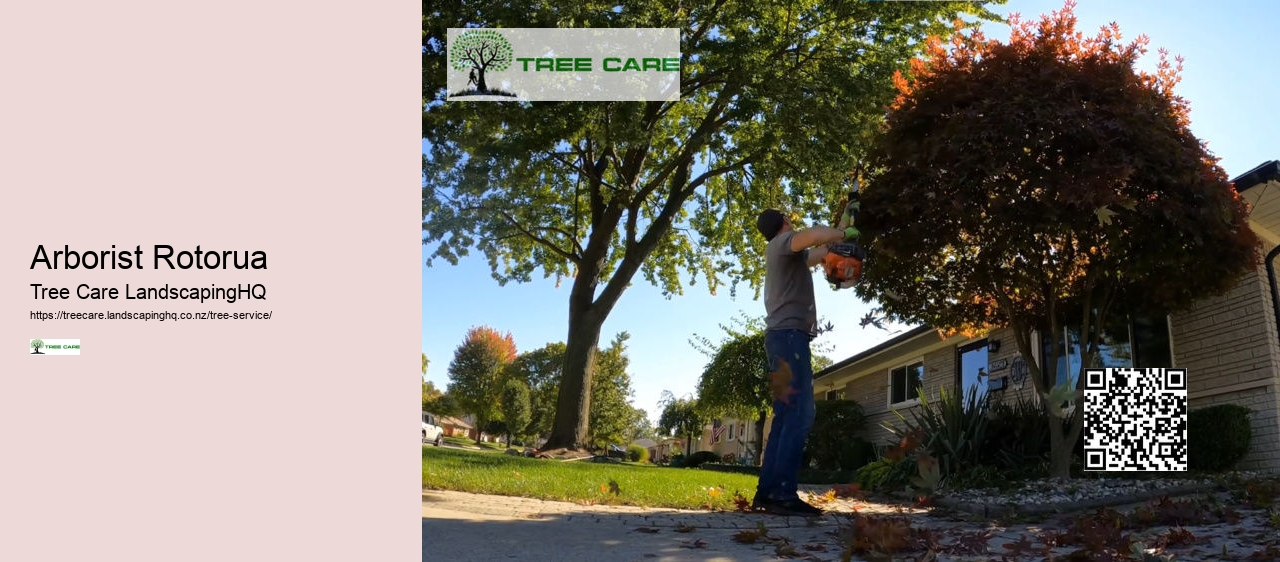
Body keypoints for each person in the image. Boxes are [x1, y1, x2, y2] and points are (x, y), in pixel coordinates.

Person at [751, 209, 853, 516]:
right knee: (800, 414)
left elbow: (822, 251)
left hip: (781, 340)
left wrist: (844, 225)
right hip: (789, 340)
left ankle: (768, 493)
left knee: (784, 417)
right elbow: (816, 235)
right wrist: (841, 234)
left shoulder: (789, 256)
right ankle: (783, 494)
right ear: (784, 223)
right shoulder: (782, 243)